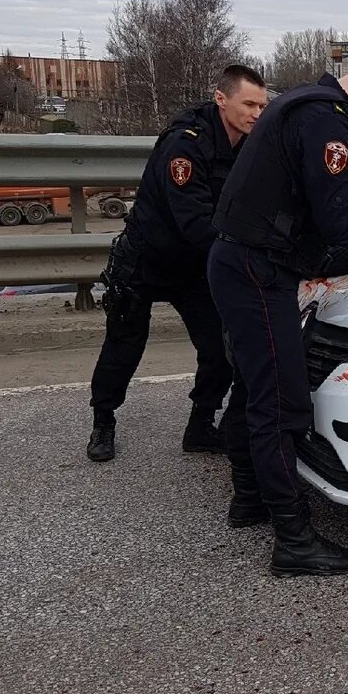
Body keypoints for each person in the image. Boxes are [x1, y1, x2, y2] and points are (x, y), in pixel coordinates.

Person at [208, 38, 348, 577]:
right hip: (256, 269)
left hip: (243, 262)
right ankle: (293, 539)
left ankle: (250, 500)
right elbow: (339, 224)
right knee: (283, 402)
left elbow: (341, 193)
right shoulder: (327, 121)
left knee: (253, 386)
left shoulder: (315, 106)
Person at [86, 65, 269, 462]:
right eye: (249, 104)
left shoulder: (249, 146)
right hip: (146, 260)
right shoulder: (185, 145)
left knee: (220, 351)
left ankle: (200, 425)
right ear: (221, 99)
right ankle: (103, 421)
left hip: (194, 267)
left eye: (262, 105)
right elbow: (195, 222)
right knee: (123, 346)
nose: (257, 113)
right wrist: (247, 256)